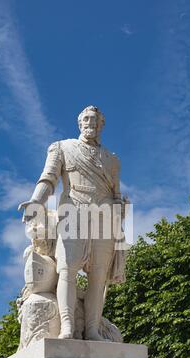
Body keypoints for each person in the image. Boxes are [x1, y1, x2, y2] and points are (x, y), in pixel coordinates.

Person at [18, 106, 125, 341]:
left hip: (105, 218)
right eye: (87, 119)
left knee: (99, 277)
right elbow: (48, 179)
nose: (91, 123)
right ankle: (67, 327)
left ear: (102, 125)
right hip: (73, 213)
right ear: (79, 123)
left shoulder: (112, 160)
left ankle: (93, 330)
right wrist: (36, 201)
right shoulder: (62, 148)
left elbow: (116, 193)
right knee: (67, 270)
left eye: (96, 120)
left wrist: (120, 212)